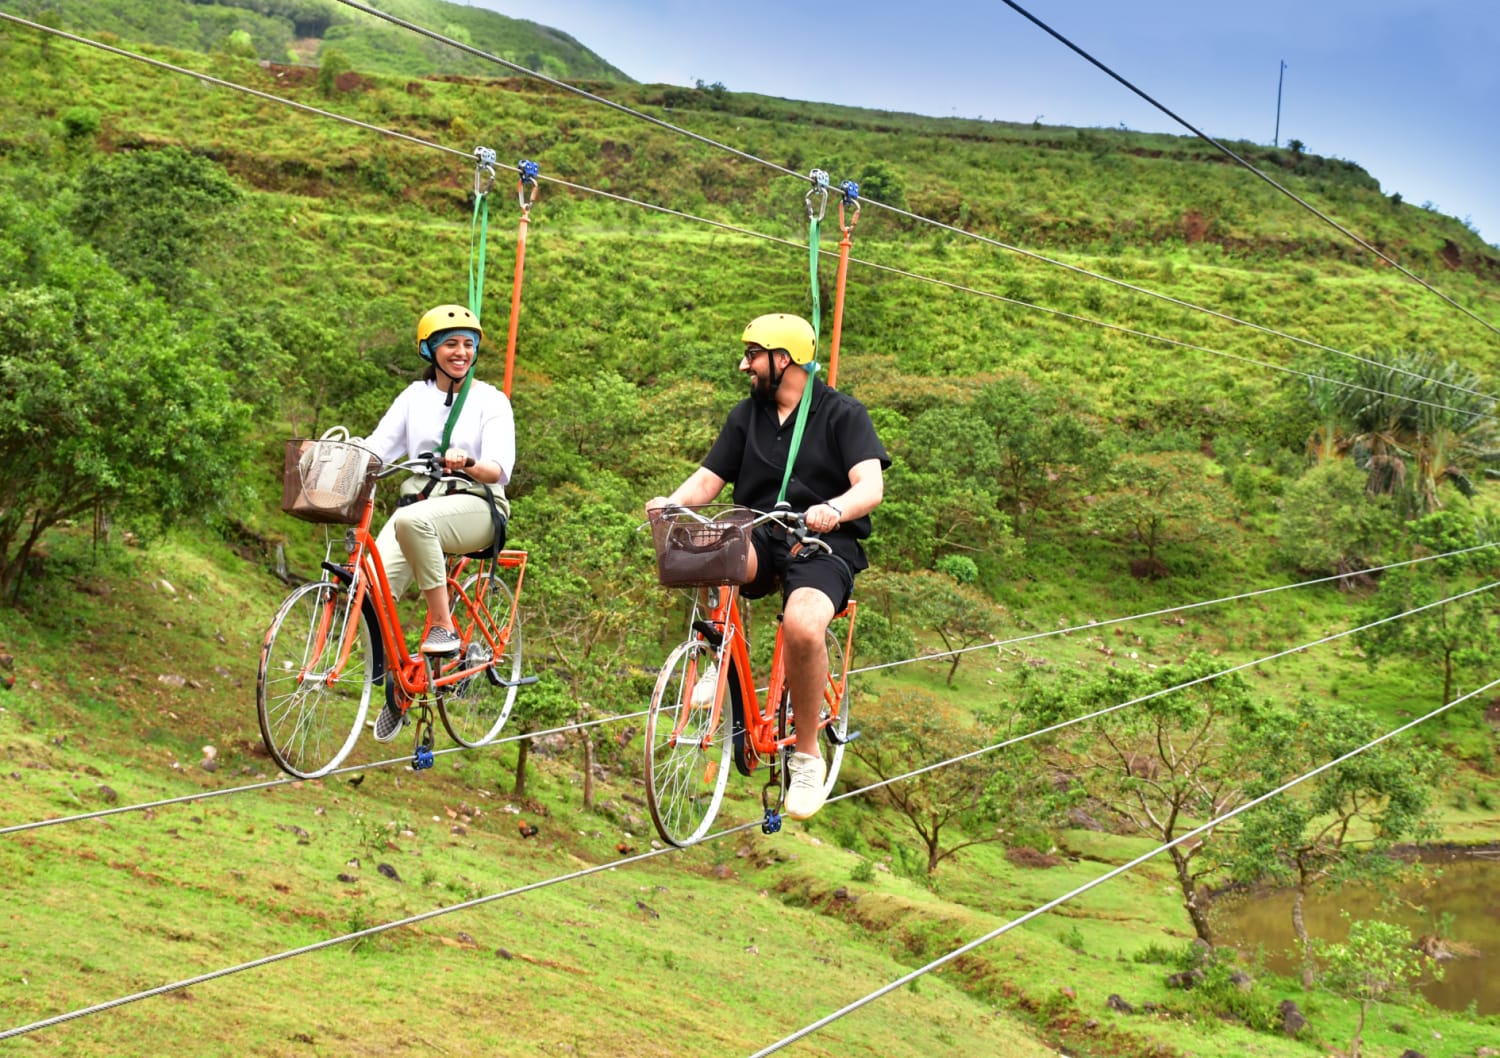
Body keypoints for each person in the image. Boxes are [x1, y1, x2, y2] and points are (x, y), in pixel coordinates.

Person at [646, 312, 888, 820]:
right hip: (760, 529)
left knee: (802, 625)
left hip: (821, 542)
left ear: (785, 360)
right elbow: (709, 480)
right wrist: (671, 504)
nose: (744, 366)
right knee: (707, 547)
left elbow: (870, 485)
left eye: (753, 355)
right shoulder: (745, 416)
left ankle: (805, 756)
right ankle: (717, 657)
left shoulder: (842, 414)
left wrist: (836, 509)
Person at [364, 304, 515, 742]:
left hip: (477, 504)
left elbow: (499, 467)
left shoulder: (490, 400)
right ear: (430, 350)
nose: (461, 352)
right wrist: (349, 455)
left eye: (468, 345)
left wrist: (467, 462)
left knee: (412, 522)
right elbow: (380, 448)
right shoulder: (413, 397)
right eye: (451, 343)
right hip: (420, 503)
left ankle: (443, 625)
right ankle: (399, 680)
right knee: (370, 592)